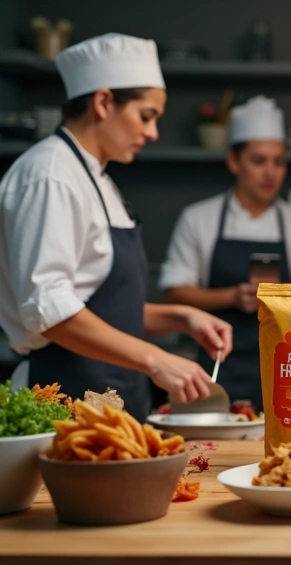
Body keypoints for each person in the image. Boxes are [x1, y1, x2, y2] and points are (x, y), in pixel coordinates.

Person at [0, 33, 231, 420]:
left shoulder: (97, 178)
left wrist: (179, 317)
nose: (153, 133)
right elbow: (48, 308)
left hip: (112, 398)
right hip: (63, 400)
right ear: (104, 102)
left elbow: (102, 305)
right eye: (146, 115)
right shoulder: (50, 175)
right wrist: (155, 359)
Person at [160, 95, 291, 410]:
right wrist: (232, 297)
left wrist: (282, 299)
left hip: (290, 371)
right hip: (218, 369)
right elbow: (175, 293)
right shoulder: (199, 218)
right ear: (234, 161)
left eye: (278, 162)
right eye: (259, 160)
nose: (270, 172)